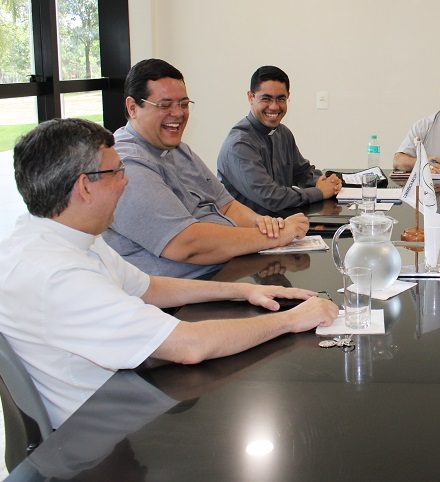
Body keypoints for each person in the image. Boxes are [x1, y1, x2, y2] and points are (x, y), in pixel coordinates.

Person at [0, 118, 338, 429]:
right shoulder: (58, 276)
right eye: (117, 171)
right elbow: (189, 346)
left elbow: (147, 288)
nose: (126, 181)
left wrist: (243, 291)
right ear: (85, 187)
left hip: (120, 399)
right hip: (101, 436)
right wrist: (292, 320)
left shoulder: (59, 234)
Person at [103, 59, 309, 279]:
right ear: (132, 108)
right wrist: (276, 237)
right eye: (165, 105)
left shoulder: (177, 149)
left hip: (230, 266)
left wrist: (265, 225)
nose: (178, 113)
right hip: (185, 289)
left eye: (183, 104)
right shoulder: (126, 165)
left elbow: (227, 206)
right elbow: (187, 244)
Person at [217, 66, 342, 215]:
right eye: (266, 98)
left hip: (283, 223)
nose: (274, 106)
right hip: (249, 227)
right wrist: (320, 192)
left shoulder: (283, 133)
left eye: (281, 99)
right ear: (251, 97)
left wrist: (326, 182)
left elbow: (302, 172)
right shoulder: (239, 144)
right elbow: (272, 197)